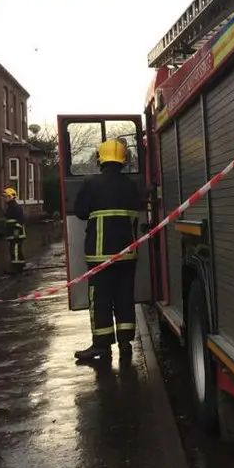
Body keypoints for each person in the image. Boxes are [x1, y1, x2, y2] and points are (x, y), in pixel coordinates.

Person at [73, 139, 142, 362]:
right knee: (124, 296)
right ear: (123, 159)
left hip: (99, 256)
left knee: (101, 299)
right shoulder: (132, 185)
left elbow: (81, 212)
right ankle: (125, 343)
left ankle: (101, 347)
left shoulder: (91, 184)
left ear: (100, 158)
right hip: (127, 255)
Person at [2, 187, 26, 273]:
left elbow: (20, 220)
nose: (5, 199)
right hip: (12, 233)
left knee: (15, 250)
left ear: (11, 196)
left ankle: (17, 268)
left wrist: (16, 232)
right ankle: (20, 266)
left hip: (16, 233)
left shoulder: (15, 207)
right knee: (14, 249)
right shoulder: (10, 207)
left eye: (6, 197)